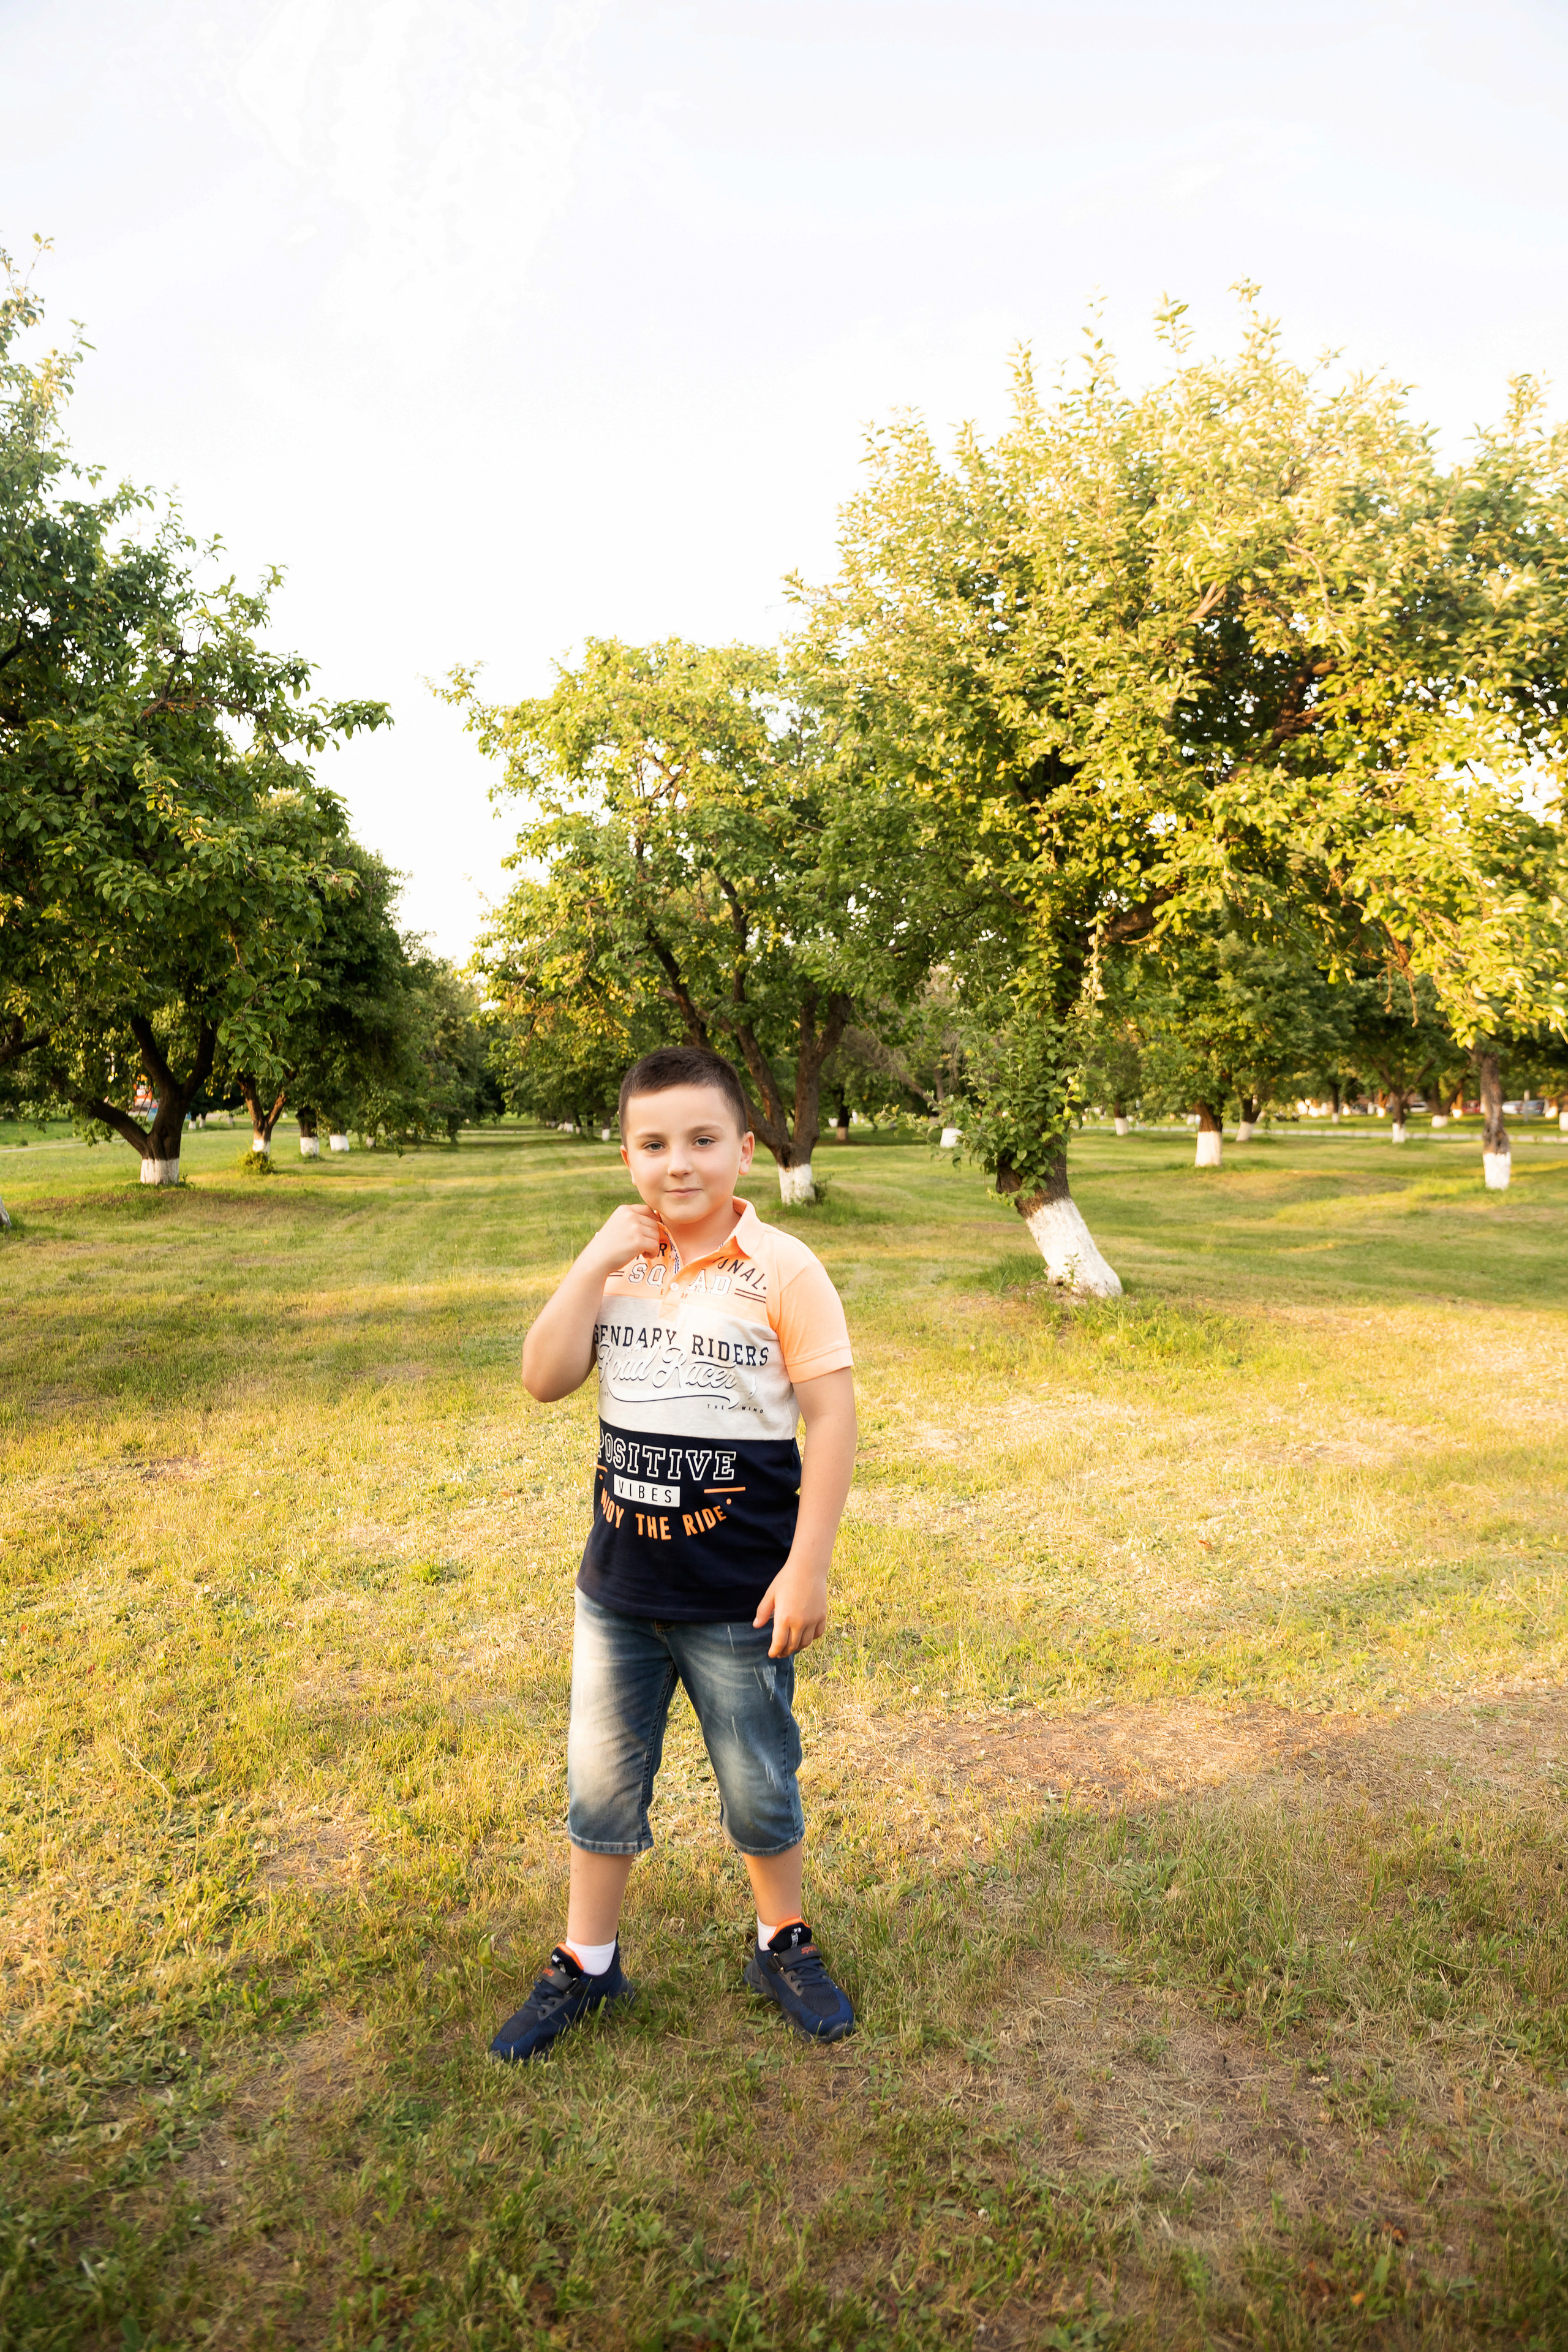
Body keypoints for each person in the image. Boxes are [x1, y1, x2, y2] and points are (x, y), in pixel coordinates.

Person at [489, 1044, 858, 2061]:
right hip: (620, 1589)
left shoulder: (785, 1267)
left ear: (745, 1148)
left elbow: (831, 1419)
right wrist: (590, 1263)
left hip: (741, 1593)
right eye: (653, 1145)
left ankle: (780, 1940)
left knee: (758, 1780)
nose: (679, 1163)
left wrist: (808, 1567)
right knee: (602, 1786)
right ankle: (588, 1960)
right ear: (628, 1156)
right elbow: (542, 1377)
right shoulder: (616, 1266)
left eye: (702, 1140)